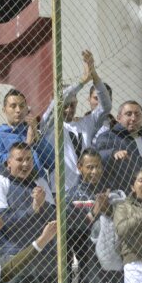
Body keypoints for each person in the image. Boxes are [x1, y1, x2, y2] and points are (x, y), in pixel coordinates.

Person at [0, 141, 56, 283]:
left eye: (28, 159)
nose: (25, 164)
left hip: (45, 259)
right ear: (8, 162)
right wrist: (33, 209)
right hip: (15, 258)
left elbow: (53, 218)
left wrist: (41, 206)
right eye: (19, 160)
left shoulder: (40, 183)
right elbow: (0, 220)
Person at [66, 149, 127, 283]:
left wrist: (109, 210)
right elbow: (71, 229)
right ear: (79, 168)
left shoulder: (111, 191)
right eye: (89, 167)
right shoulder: (72, 195)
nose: (94, 172)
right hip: (89, 257)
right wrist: (94, 212)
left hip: (114, 255)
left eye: (98, 167)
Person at [40, 50, 109, 191]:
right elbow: (57, 103)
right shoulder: (50, 125)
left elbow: (106, 106)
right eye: (65, 105)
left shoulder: (86, 123)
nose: (68, 109)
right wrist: (82, 81)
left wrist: (94, 75)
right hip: (61, 191)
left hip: (87, 189)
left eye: (72, 105)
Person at [0, 88, 53, 178]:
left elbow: (53, 162)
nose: (18, 110)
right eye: (13, 106)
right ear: (4, 110)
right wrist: (27, 144)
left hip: (39, 186)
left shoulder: (31, 132)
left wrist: (37, 138)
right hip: (14, 187)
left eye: (22, 106)